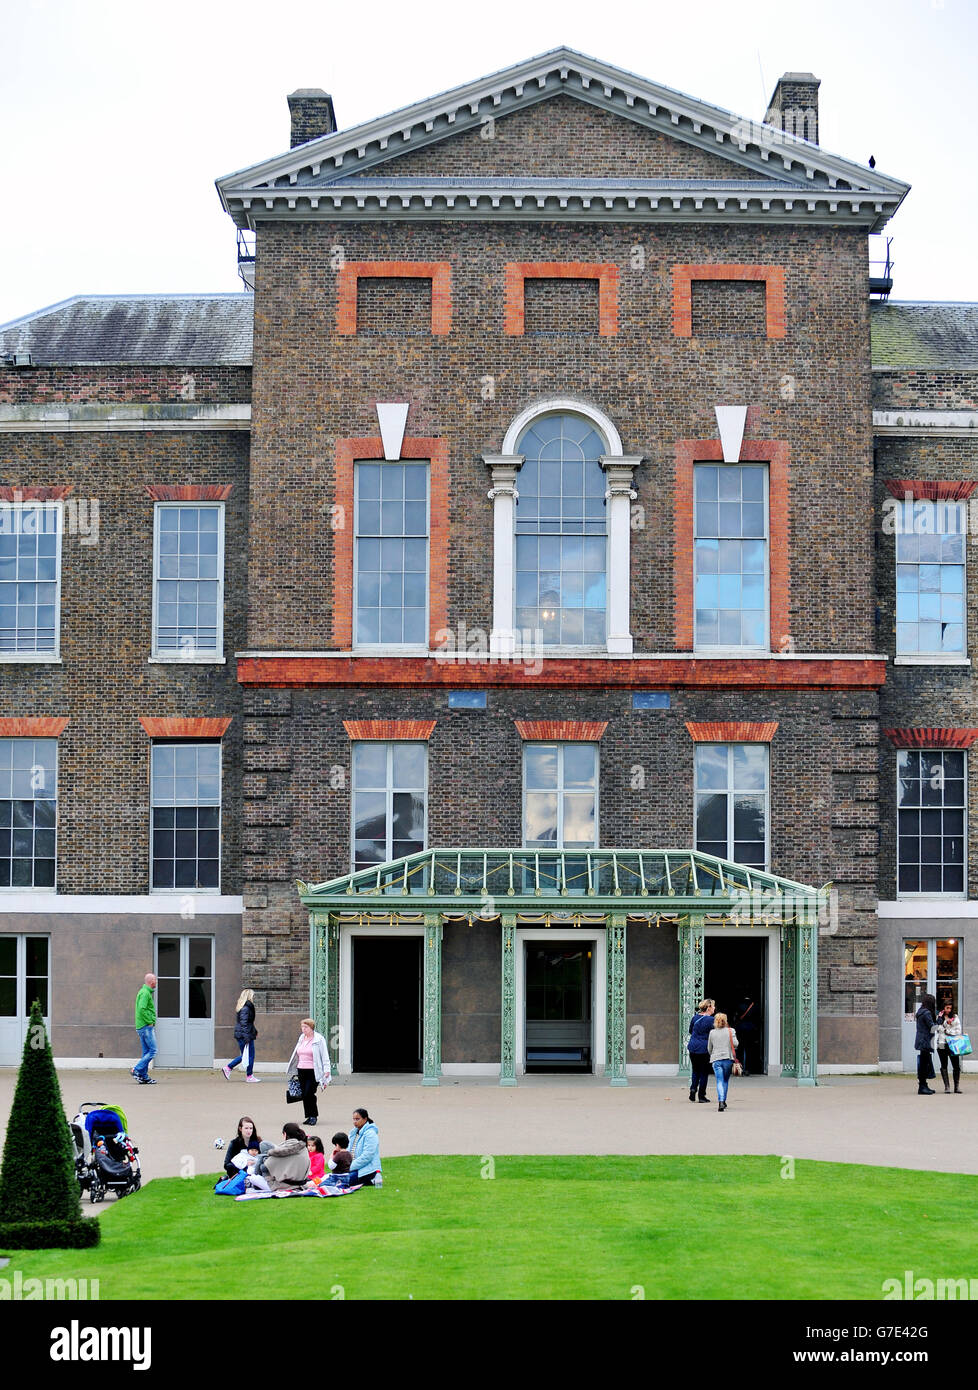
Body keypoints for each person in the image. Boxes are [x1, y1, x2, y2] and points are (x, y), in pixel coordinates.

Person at [286, 1018, 331, 1126]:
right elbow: (297, 1053)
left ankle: (313, 1116)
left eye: (305, 1027)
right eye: (302, 1027)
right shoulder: (302, 1038)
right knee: (304, 1094)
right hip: (301, 1069)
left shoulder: (319, 1039)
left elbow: (324, 1055)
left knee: (309, 1093)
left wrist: (327, 1070)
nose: (303, 1029)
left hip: (313, 1071)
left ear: (311, 1027)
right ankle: (308, 1116)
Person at [248, 1123, 310, 1193]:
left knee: (253, 1177)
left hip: (281, 1186)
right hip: (301, 1184)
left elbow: (265, 1167)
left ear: (285, 1134)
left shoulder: (283, 1149)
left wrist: (264, 1158)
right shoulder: (304, 1148)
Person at [223, 988, 260, 1082]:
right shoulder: (246, 1008)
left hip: (243, 1034)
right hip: (244, 1035)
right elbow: (244, 1024)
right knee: (250, 1055)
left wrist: (254, 1031)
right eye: (252, 995)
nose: (253, 997)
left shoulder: (244, 1007)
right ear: (249, 996)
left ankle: (229, 1068)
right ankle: (249, 1076)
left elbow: (248, 1023)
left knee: (246, 1055)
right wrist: (247, 1037)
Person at [707, 1011, 739, 1112]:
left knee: (719, 1081)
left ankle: (720, 1101)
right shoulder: (731, 1031)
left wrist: (714, 1054)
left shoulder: (712, 1032)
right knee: (725, 1080)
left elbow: (709, 1048)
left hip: (716, 1060)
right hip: (727, 1059)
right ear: (726, 1021)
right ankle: (723, 1100)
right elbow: (736, 1044)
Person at [686, 998, 715, 1103]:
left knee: (695, 1070)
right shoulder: (712, 1020)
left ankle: (693, 1090)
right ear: (708, 1007)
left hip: (693, 1046)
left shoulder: (695, 1018)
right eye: (713, 1006)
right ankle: (701, 1096)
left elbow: (690, 1030)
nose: (714, 1008)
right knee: (704, 1072)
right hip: (704, 1048)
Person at [132, 973, 158, 1085]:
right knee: (153, 1050)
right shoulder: (145, 994)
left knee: (146, 1052)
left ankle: (144, 1076)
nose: (156, 982)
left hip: (142, 1026)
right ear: (151, 982)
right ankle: (136, 1070)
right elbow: (142, 1009)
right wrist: (150, 1021)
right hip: (146, 1027)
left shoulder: (144, 992)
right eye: (155, 980)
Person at [934, 999, 963, 1095]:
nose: (949, 1010)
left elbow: (958, 1031)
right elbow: (937, 1029)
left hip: (953, 1044)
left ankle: (957, 1086)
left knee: (956, 1065)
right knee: (944, 1065)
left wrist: (948, 1031)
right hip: (941, 1043)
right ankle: (947, 1087)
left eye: (950, 1008)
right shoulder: (939, 1017)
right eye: (947, 1008)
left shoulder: (955, 1017)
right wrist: (946, 1024)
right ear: (943, 1007)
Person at [348, 1108, 382, 1186]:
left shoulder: (370, 1134)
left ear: (365, 1119)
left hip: (367, 1169)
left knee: (344, 1180)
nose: (355, 1122)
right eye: (354, 1119)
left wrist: (349, 1167)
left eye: (357, 1119)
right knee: (335, 1177)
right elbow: (348, 1151)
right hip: (353, 1167)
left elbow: (367, 1156)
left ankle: (371, 1179)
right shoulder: (353, 1133)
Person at [915, 992, 938, 1096]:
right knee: (924, 1064)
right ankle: (922, 1087)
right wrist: (940, 1019)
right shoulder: (927, 1013)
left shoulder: (920, 1012)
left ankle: (924, 1085)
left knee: (924, 1063)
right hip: (925, 1041)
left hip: (921, 1040)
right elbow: (933, 1028)